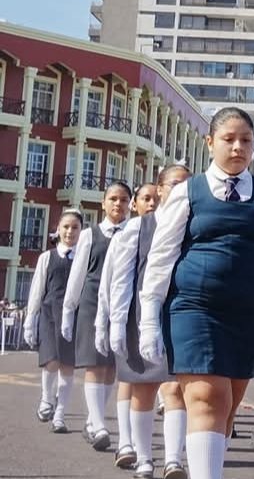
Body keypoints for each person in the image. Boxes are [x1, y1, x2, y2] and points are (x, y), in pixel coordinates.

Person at [138, 107, 254, 479]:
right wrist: (148, 320)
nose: (238, 147)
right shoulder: (189, 192)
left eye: (246, 141)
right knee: (208, 397)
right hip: (194, 309)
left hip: (247, 315)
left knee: (230, 404)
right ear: (210, 143)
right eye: (229, 139)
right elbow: (161, 258)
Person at [109, 167, 192, 479]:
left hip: (180, 315)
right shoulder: (138, 228)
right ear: (159, 189)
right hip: (141, 316)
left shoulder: (193, 225)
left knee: (175, 390)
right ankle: (144, 458)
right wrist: (117, 322)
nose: (181, 190)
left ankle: (173, 460)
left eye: (187, 184)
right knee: (143, 390)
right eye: (174, 184)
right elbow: (121, 278)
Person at [62, 180, 131, 451]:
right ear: (103, 203)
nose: (118, 204)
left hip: (121, 305)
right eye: (113, 198)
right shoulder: (91, 234)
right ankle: (99, 425)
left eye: (124, 199)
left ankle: (93, 420)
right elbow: (77, 274)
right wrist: (69, 310)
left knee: (111, 367)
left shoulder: (132, 233)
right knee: (94, 364)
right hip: (91, 302)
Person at [96, 182, 159, 469]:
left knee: (163, 388)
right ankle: (125, 440)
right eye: (146, 198)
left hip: (159, 315)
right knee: (130, 381)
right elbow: (112, 281)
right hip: (132, 314)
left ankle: (168, 455)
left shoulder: (170, 229)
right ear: (135, 204)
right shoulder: (128, 233)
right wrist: (109, 322)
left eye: (156, 198)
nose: (152, 203)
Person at [23, 209, 82, 433]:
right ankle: (47, 399)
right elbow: (37, 290)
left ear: (80, 231)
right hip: (49, 315)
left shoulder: (82, 259)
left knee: (68, 367)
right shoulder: (47, 257)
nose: (70, 231)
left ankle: (60, 414)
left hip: (73, 316)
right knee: (51, 362)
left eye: (75, 227)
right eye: (66, 226)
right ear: (58, 229)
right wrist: (31, 319)